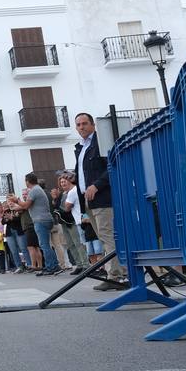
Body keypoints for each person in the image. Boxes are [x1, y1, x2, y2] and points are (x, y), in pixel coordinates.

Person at [74, 112, 126, 289]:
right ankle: (117, 273)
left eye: (85, 123)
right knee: (104, 237)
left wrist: (96, 185)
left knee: (108, 236)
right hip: (89, 200)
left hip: (102, 197)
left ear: (93, 125)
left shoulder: (100, 143)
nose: (81, 127)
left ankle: (116, 276)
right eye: (78, 125)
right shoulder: (80, 148)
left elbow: (112, 167)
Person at [12, 173, 60, 276]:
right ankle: (54, 265)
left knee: (44, 245)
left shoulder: (34, 191)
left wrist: (17, 201)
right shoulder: (38, 189)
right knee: (46, 245)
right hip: (46, 219)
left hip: (40, 220)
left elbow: (25, 206)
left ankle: (51, 267)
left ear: (27, 181)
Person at [56, 172, 88, 275]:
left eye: (64, 181)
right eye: (61, 182)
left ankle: (85, 264)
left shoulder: (73, 191)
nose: (62, 184)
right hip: (64, 221)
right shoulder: (63, 194)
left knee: (78, 243)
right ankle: (78, 264)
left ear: (69, 181)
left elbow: (67, 208)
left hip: (73, 220)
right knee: (70, 244)